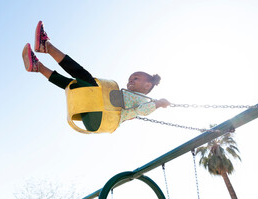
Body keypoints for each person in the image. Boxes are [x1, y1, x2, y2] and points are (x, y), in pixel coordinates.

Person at [22, 21, 170, 132]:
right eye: (130, 78)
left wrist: (159, 103)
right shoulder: (128, 96)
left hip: (101, 116)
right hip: (93, 116)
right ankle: (38, 67)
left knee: (84, 76)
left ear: (147, 85)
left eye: (136, 78)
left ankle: (46, 46)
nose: (130, 80)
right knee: (73, 85)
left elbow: (143, 111)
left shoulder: (143, 100)